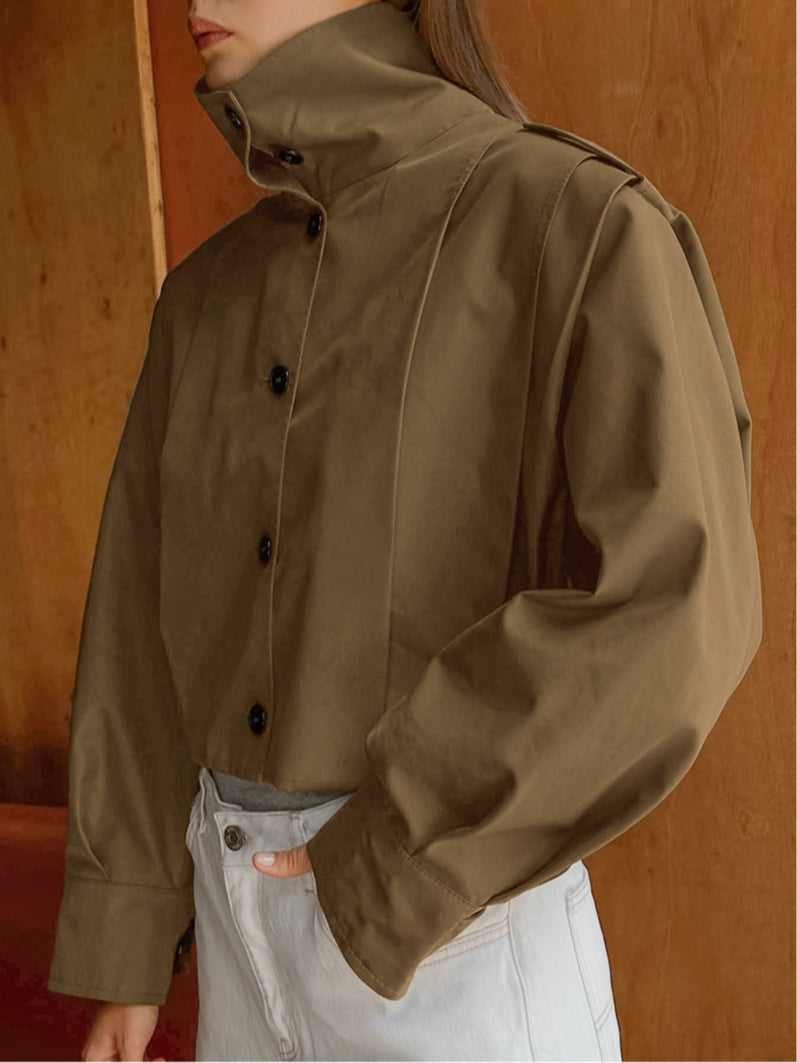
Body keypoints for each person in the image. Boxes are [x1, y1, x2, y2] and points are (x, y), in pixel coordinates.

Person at [47, 0, 763, 1060]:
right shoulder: (201, 299)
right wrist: (129, 930)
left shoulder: (575, 221)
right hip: (232, 933)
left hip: (451, 945)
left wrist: (395, 846)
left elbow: (675, 601)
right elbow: (136, 634)